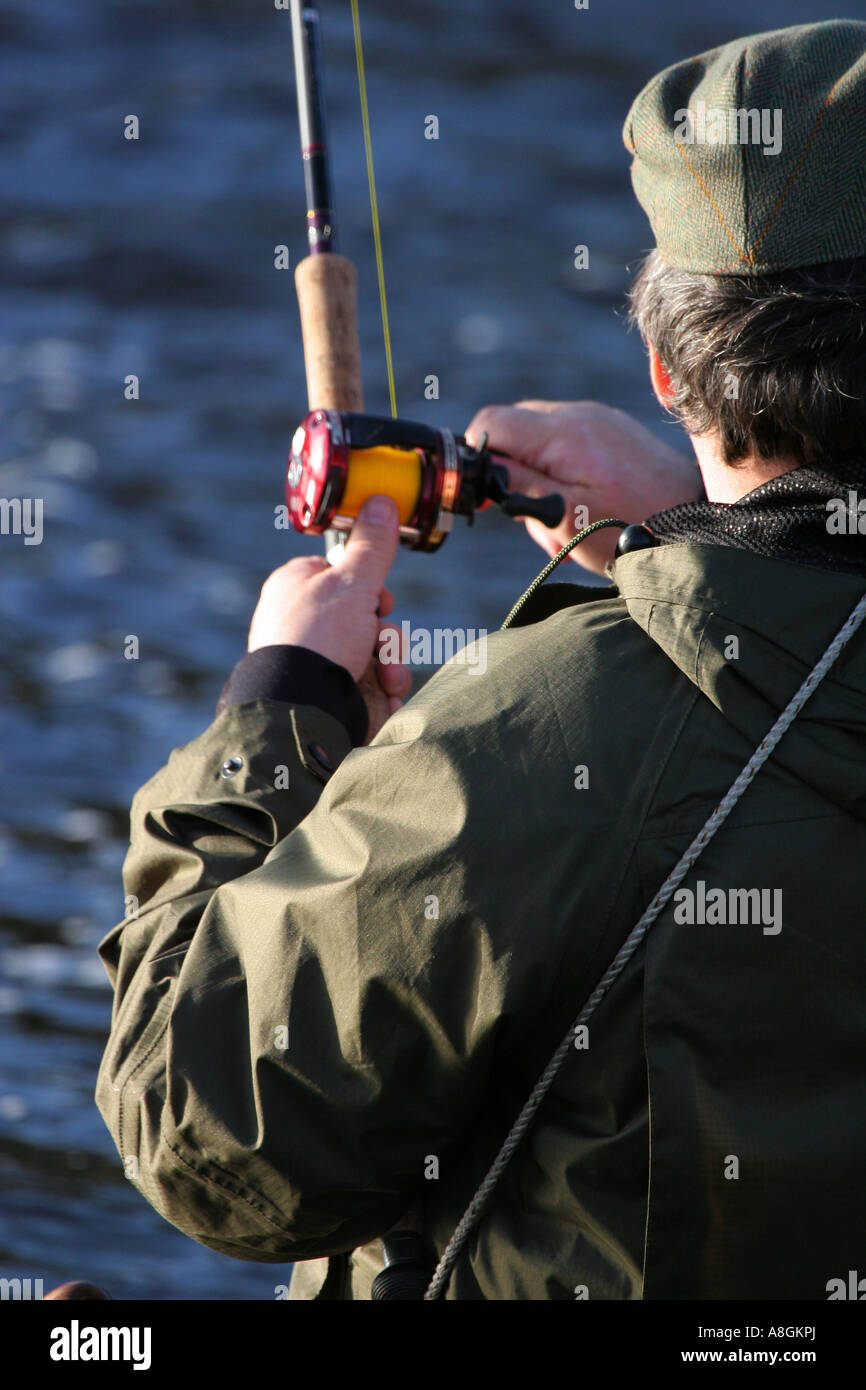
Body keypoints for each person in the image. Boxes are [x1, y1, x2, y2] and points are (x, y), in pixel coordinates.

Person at [96, 19, 866, 1299]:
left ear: (666, 369)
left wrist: (276, 713)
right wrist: (688, 525)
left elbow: (204, 1127)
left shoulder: (545, 734)